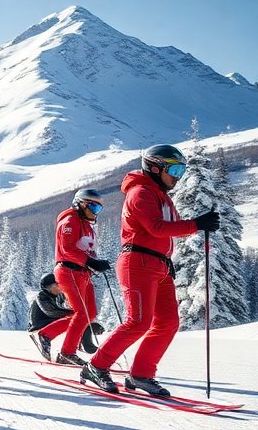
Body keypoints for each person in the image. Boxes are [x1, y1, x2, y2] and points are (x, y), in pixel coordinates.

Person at [81, 145, 221, 395]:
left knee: (168, 323)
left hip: (160, 265)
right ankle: (96, 366)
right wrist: (197, 224)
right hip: (138, 262)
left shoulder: (162, 195)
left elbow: (172, 228)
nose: (178, 176)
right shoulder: (141, 192)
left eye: (183, 170)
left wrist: (199, 224)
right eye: (175, 169)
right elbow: (156, 227)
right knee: (139, 321)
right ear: (155, 168)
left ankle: (141, 374)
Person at [44, 188, 113, 365]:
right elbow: (68, 249)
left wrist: (97, 262)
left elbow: (87, 250)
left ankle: (46, 334)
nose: (94, 212)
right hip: (69, 270)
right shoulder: (70, 220)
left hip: (82, 273)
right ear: (80, 204)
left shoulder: (86, 225)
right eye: (92, 207)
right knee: (81, 313)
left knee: (89, 313)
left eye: (98, 209)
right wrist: (90, 261)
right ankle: (66, 352)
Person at [28, 272, 72, 361]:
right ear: (48, 287)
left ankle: (71, 351)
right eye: (56, 285)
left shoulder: (58, 295)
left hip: (51, 321)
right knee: (72, 320)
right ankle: (44, 339)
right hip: (40, 324)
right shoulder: (42, 296)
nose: (59, 287)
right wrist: (71, 313)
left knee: (75, 321)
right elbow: (51, 312)